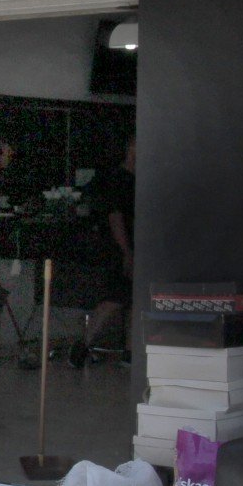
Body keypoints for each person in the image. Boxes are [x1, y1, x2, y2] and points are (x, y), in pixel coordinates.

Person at [69, 137, 136, 368]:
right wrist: (126, 250)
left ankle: (130, 351)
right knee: (116, 298)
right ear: (130, 148)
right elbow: (115, 217)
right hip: (120, 247)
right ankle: (83, 344)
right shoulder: (120, 180)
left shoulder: (135, 179)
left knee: (131, 299)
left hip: (131, 245)